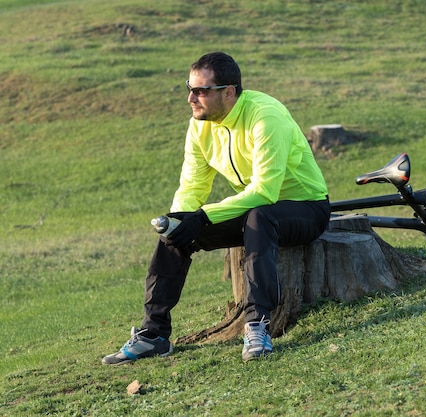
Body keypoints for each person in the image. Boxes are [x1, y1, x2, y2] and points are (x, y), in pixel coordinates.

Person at [102, 52, 330, 364]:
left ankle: (256, 326)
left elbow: (265, 191)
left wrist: (204, 216)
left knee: (259, 217)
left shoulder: (266, 117)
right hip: (254, 210)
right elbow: (192, 187)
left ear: (229, 92)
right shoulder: (200, 125)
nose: (191, 98)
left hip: (306, 209)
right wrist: (180, 222)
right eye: (189, 88)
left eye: (201, 91)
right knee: (175, 231)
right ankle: (154, 334)